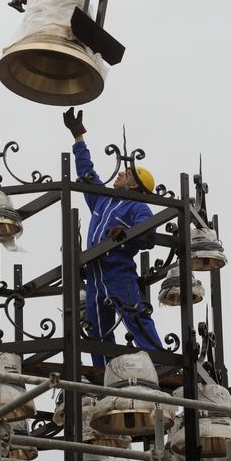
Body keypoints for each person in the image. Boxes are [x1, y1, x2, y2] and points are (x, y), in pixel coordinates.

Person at [63, 107, 163, 367]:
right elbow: (87, 174)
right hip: (95, 275)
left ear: (134, 185)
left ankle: (161, 364)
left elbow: (147, 236)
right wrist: (78, 139)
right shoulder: (103, 200)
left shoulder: (138, 207)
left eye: (125, 174)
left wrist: (127, 236)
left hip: (118, 272)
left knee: (135, 316)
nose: (119, 174)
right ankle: (105, 371)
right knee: (97, 329)